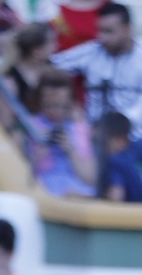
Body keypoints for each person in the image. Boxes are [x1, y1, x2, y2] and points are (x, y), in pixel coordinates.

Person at [53, 2, 142, 177]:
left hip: (137, 138)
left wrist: (113, 130)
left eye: (109, 31)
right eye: (100, 31)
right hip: (96, 138)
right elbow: (54, 65)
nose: (103, 37)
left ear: (128, 30)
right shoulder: (93, 52)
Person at [29, 67, 98, 196]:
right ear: (40, 102)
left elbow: (90, 179)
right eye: (49, 105)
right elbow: (24, 175)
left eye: (61, 106)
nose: (55, 111)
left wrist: (71, 150)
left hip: (77, 190)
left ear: (70, 103)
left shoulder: (78, 128)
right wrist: (41, 148)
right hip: (43, 189)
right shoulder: (30, 125)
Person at [0, 21, 56, 114]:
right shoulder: (10, 82)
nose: (55, 47)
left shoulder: (52, 71)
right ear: (37, 51)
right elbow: (6, 122)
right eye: (51, 43)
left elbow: (73, 109)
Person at [97, 111, 142, 200]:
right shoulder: (129, 160)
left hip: (123, 213)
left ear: (121, 140)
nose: (99, 145)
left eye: (103, 140)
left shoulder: (115, 162)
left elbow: (116, 199)